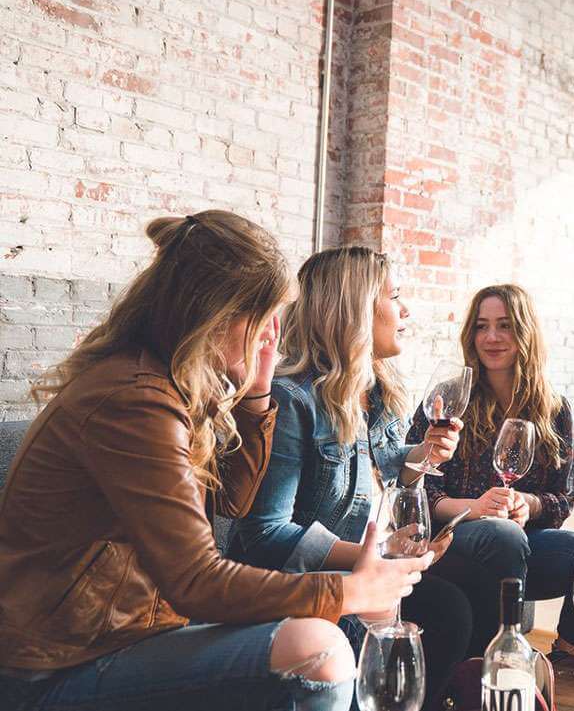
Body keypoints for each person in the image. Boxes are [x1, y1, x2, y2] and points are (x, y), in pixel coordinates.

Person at [0, 212, 424, 711]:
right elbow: (197, 580)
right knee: (318, 651)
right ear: (218, 314)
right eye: (265, 317)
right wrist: (345, 591)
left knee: (328, 632)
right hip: (56, 666)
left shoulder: (166, 383)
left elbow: (230, 501)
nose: (273, 335)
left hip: (131, 633)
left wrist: (257, 393)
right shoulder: (134, 400)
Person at [227, 246, 471, 711]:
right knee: (447, 611)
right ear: (354, 310)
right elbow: (263, 534)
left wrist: (419, 457)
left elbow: (378, 469)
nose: (405, 309)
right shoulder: (291, 399)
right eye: (393, 296)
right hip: (300, 582)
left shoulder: (375, 392)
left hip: (363, 563)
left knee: (466, 591)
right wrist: (373, 557)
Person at [407, 284, 574, 658]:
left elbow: (562, 500)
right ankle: (499, 657)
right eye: (482, 326)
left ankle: (564, 658)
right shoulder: (448, 399)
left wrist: (527, 505)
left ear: (525, 333)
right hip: (451, 540)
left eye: (505, 326)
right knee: (502, 535)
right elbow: (414, 485)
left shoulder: (554, 408)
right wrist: (475, 507)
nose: (492, 337)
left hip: (521, 543)